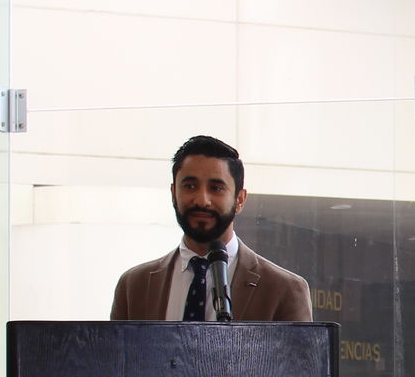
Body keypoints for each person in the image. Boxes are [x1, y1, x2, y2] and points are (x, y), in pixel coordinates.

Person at [110, 135, 312, 322]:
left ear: (240, 199)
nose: (202, 200)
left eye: (216, 188)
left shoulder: (284, 289)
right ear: (173, 193)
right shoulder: (134, 285)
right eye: (190, 186)